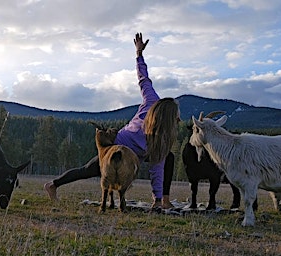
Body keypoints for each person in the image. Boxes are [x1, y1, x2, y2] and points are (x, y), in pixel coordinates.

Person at [44, 33, 180, 209]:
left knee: (168, 158)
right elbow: (143, 78)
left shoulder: (159, 133)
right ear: (167, 118)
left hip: (135, 156)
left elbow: (144, 79)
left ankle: (164, 200)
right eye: (176, 116)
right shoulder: (153, 103)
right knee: (89, 170)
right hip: (116, 146)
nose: (178, 119)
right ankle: (52, 185)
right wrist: (138, 55)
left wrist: (158, 201)